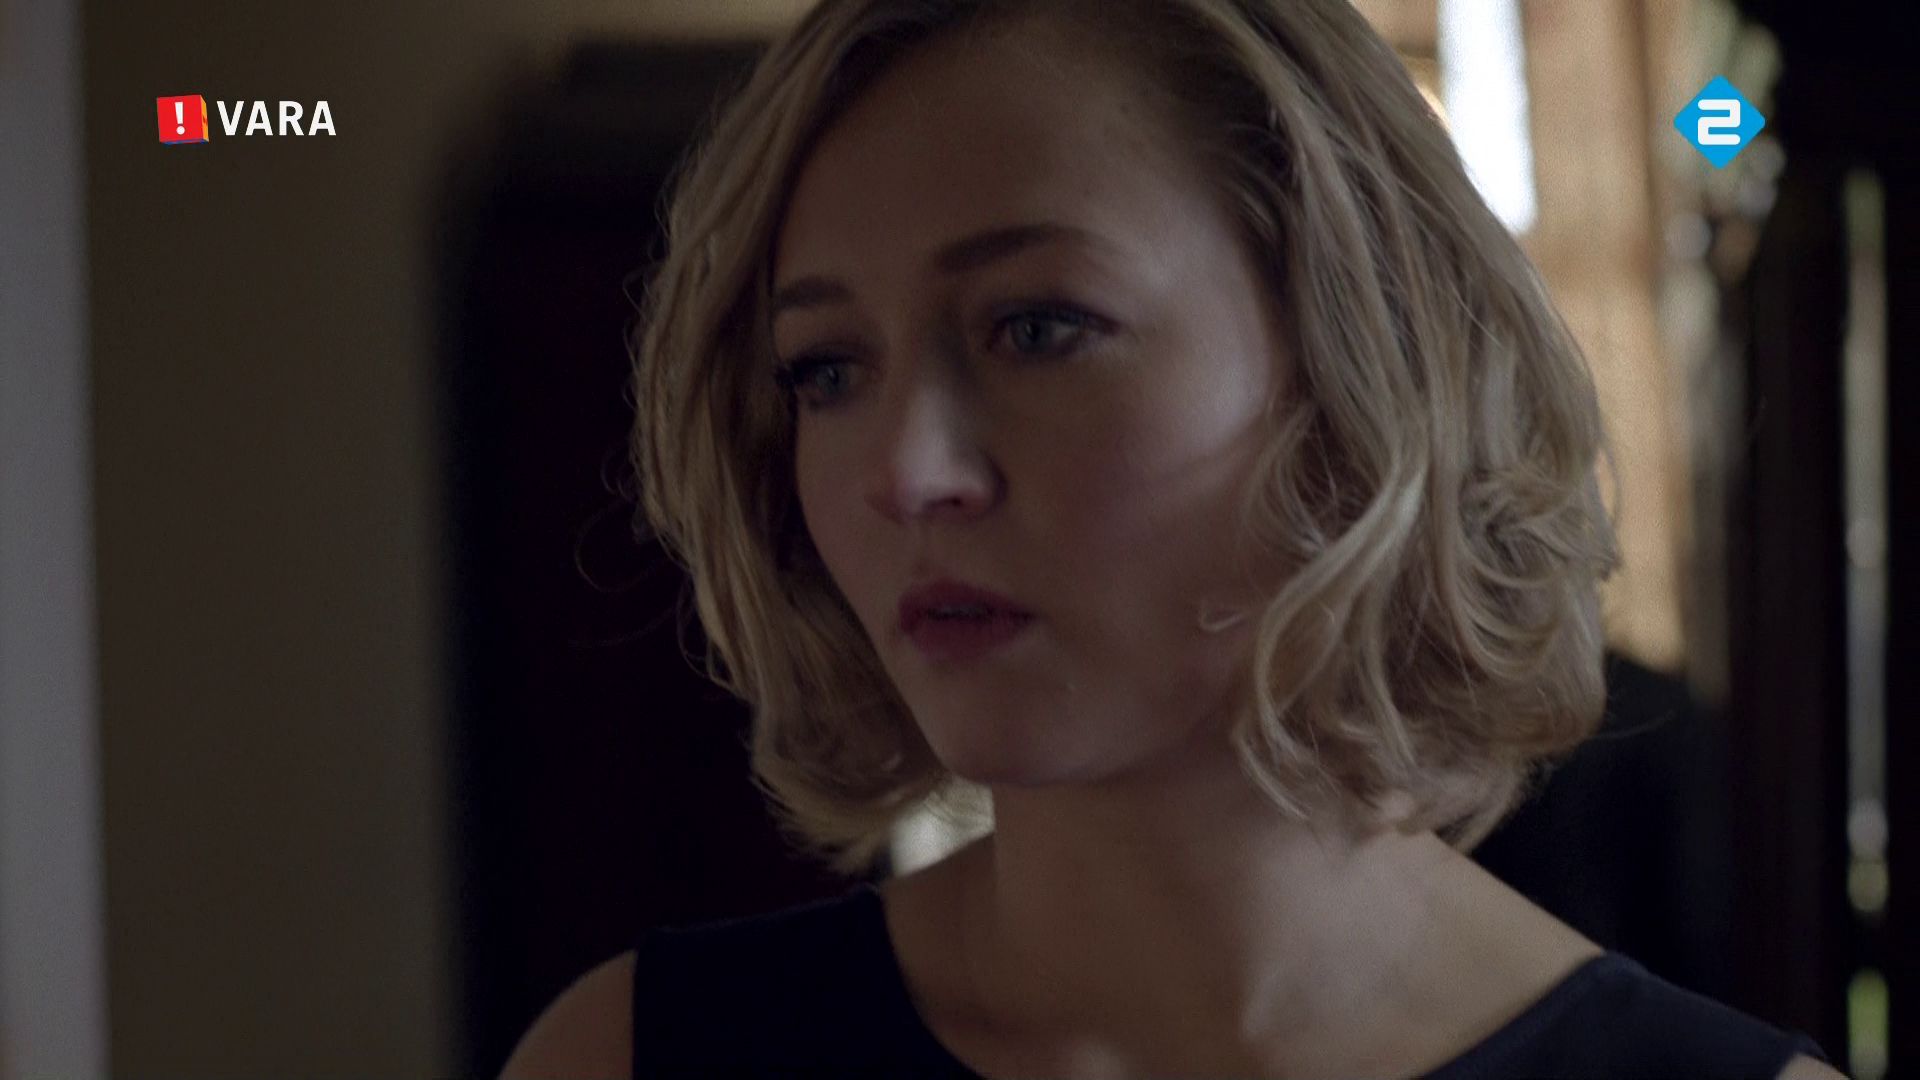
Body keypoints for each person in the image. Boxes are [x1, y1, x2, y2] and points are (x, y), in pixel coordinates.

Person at [503, 0, 1842, 1076]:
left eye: (1037, 328)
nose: (907, 474)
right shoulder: (634, 1055)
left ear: (1355, 365)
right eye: (828, 370)